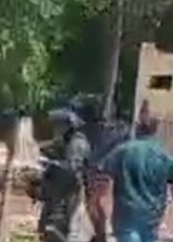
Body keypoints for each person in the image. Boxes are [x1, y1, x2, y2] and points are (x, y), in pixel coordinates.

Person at [101, 112, 173, 242]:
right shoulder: (166, 158)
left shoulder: (120, 152)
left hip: (126, 217)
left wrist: (99, 210)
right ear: (156, 131)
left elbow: (103, 184)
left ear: (137, 128)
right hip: (152, 219)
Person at [72, 96, 130, 242]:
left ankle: (101, 234)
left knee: (94, 205)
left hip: (96, 172)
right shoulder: (120, 130)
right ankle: (101, 233)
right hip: (111, 173)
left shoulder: (88, 131)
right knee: (99, 206)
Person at [36, 107, 91, 242]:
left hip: (68, 192)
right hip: (57, 191)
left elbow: (72, 169)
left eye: (58, 125)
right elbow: (52, 148)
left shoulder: (77, 143)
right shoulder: (66, 140)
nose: (56, 129)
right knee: (48, 227)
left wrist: (51, 163)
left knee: (58, 227)